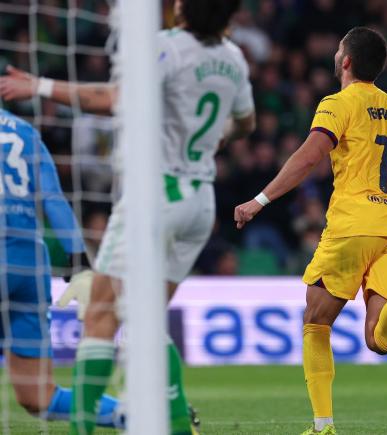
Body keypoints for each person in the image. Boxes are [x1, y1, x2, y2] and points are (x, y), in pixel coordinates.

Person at [0, 1, 255, 433]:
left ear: (181, 10)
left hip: (158, 194)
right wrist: (78, 258)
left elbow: (116, 99)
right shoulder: (233, 57)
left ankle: (89, 427)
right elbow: (245, 124)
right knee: (142, 322)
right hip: (198, 201)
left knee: (102, 316)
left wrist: (41, 86)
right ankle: (149, 417)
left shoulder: (165, 47)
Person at [234, 27, 387, 435]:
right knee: (379, 339)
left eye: (339, 48)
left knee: (316, 321)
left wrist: (259, 200)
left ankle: (323, 427)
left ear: (347, 61)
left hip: (354, 226)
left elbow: (309, 157)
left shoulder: (338, 103)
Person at [0, 108, 120, 428]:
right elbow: (53, 198)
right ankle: (139, 414)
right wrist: (79, 264)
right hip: (29, 268)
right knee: (38, 397)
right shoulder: (24, 131)